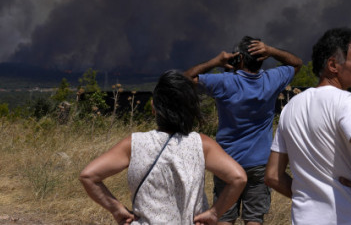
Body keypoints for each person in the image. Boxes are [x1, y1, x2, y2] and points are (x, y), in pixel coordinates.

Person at [80, 70, 247, 225]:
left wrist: (116, 209)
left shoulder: (134, 143)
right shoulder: (201, 144)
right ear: (189, 109)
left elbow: (88, 176)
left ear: (154, 108)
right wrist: (214, 213)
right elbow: (238, 178)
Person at [266, 27, 351, 225]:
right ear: (333, 65)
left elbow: (272, 176)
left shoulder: (290, 107)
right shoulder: (345, 100)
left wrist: (308, 197)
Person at [184, 37, 302, 225]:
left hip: (227, 162)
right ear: (261, 58)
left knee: (223, 217)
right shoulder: (272, 80)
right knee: (254, 219)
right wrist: (271, 50)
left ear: (238, 59)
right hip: (260, 163)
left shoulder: (224, 82)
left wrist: (216, 61)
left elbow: (184, 79)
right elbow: (296, 63)